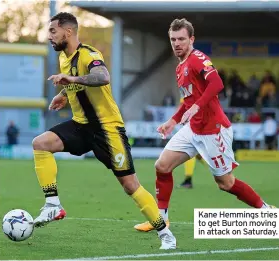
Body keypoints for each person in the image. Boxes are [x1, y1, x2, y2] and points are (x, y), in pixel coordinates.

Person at [32, 12, 176, 249]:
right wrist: (63, 95)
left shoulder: (89, 54)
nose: (49, 36)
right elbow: (76, 83)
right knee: (40, 143)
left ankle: (165, 234)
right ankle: (52, 205)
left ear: (68, 32)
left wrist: (69, 79)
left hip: (108, 130)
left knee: (130, 186)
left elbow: (102, 77)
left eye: (53, 31)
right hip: (81, 125)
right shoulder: (64, 59)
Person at [134, 18, 275, 232]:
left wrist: (197, 108)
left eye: (181, 39)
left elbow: (216, 83)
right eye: (173, 39)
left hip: (213, 130)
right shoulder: (180, 67)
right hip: (193, 129)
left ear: (191, 39)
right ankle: (160, 220)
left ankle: (265, 211)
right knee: (162, 166)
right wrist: (172, 121)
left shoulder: (198, 58)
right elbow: (188, 101)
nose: (176, 43)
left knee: (225, 183)